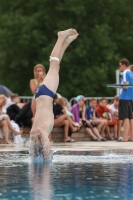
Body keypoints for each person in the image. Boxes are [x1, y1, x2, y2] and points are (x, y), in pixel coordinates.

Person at [30, 28, 79, 158]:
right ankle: (66, 42)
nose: (50, 144)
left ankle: (61, 37)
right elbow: (32, 153)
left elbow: (45, 147)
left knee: (53, 65)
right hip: (40, 96)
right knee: (55, 67)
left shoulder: (41, 131)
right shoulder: (33, 134)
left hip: (45, 95)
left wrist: (46, 159)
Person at [118, 59, 133, 141]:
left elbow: (125, 86)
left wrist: (118, 86)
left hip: (124, 97)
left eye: (120, 65)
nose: (119, 67)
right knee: (131, 118)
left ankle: (125, 137)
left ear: (124, 65)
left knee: (125, 117)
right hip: (131, 97)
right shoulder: (131, 73)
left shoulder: (124, 73)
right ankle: (131, 136)